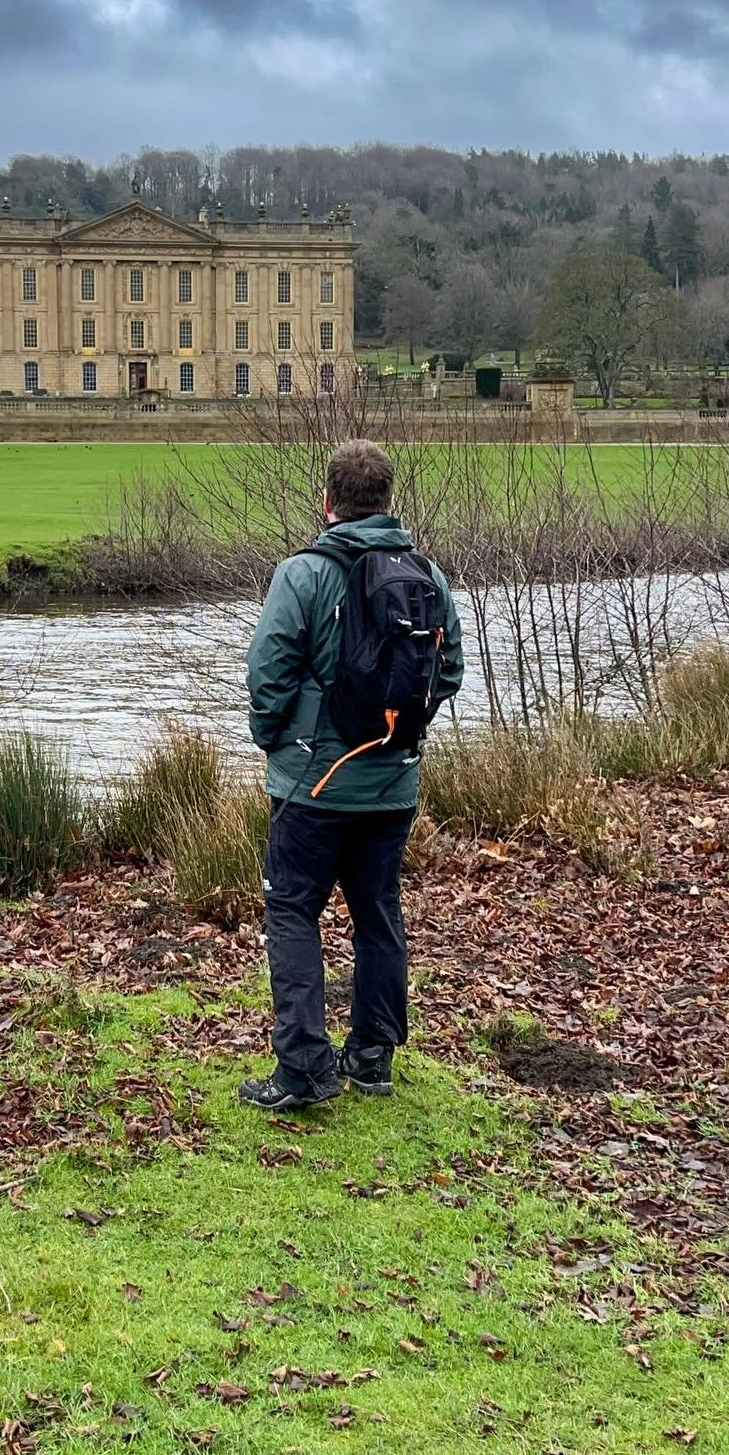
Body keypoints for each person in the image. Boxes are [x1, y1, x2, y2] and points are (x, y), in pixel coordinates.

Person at [239, 439, 464, 1111]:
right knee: (377, 915)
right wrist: (398, 733)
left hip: (313, 784)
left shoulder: (302, 574)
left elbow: (267, 673)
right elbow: (447, 673)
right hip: (392, 783)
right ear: (388, 500)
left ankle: (304, 1070)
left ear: (328, 500)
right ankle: (372, 1058)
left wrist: (274, 741)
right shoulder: (427, 574)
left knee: (292, 913)